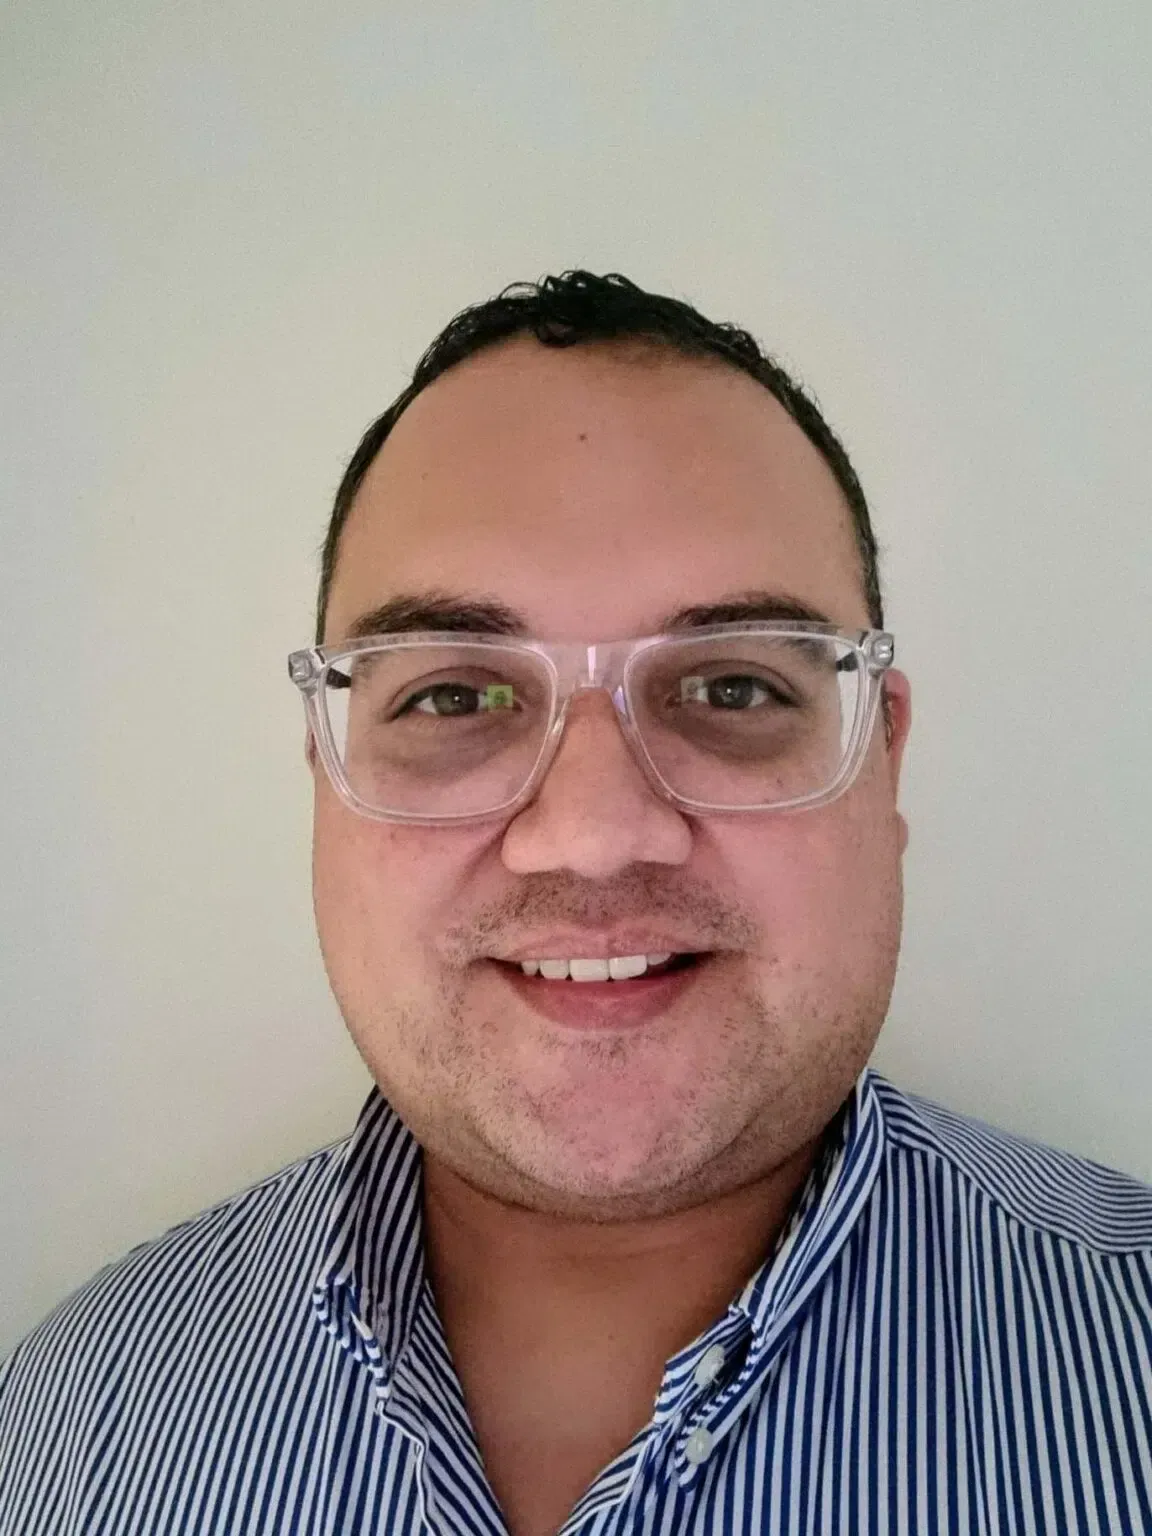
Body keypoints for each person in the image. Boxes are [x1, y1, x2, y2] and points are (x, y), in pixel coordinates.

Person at [1, 270, 1149, 1536]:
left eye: (730, 688)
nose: (596, 837)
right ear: (327, 778)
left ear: (883, 760)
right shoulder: (69, 1421)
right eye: (452, 697)